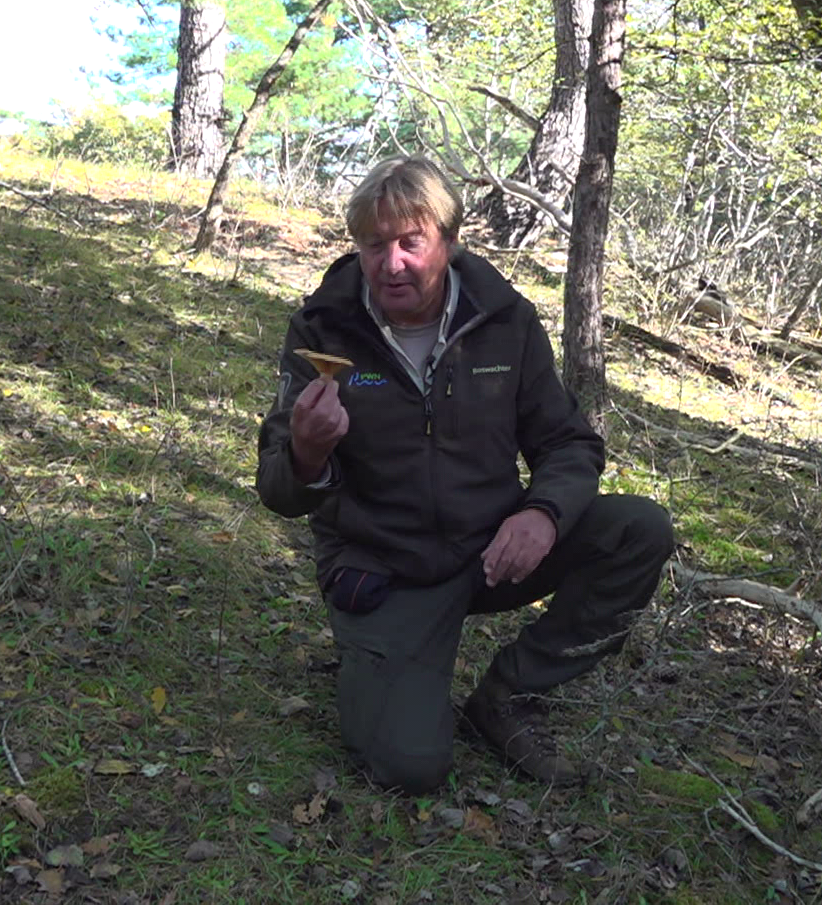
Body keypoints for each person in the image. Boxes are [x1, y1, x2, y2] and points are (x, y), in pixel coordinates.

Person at [255, 155, 674, 793]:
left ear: (448, 242)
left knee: (638, 530)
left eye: (410, 243)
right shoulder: (322, 328)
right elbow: (277, 491)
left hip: (490, 552)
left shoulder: (502, 321)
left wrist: (542, 513)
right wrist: (308, 453)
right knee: (409, 767)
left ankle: (508, 694)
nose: (391, 263)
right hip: (384, 569)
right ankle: (390, 661)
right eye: (374, 245)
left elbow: (568, 442)